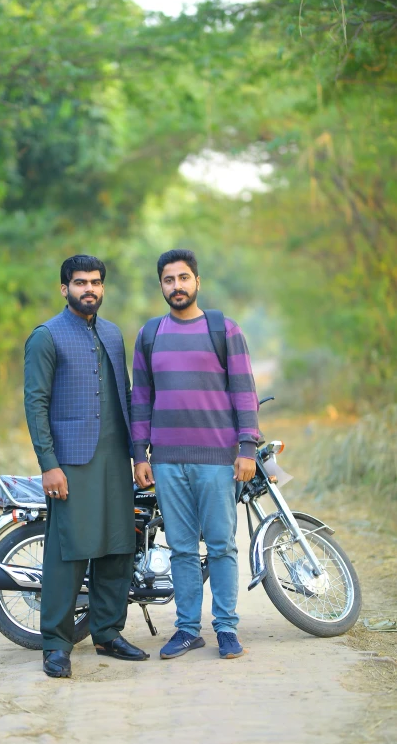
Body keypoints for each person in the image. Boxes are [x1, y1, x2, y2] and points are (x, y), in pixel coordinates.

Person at [24, 254, 149, 678]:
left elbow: (127, 396)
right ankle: (56, 644)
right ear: (65, 288)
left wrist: (139, 455)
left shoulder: (113, 334)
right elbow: (35, 403)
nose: (89, 289)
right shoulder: (47, 336)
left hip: (116, 459)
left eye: (95, 282)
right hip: (71, 462)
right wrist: (49, 464)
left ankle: (108, 634)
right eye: (80, 283)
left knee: (118, 546)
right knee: (69, 551)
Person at [131, 249, 259, 660]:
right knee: (183, 549)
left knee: (221, 545)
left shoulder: (224, 330)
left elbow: (244, 391)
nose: (177, 286)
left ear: (197, 282)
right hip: (167, 460)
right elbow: (141, 400)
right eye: (169, 280)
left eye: (184, 278)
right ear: (161, 286)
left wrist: (247, 448)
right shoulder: (149, 335)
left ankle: (225, 629)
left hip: (217, 459)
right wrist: (140, 454)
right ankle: (187, 630)